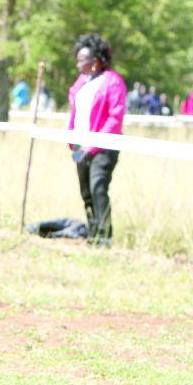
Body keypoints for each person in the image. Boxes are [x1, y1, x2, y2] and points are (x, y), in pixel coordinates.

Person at [68, 34, 127, 246]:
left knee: (98, 187)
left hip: (103, 148)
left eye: (81, 59)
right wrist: (72, 140)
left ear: (95, 62)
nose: (77, 63)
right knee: (85, 191)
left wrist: (92, 146)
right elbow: (75, 111)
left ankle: (104, 236)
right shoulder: (81, 83)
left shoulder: (113, 81)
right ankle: (92, 232)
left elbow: (115, 117)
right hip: (79, 146)